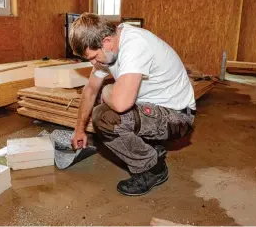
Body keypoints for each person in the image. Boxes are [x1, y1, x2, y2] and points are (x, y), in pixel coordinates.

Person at [68, 13, 196, 196]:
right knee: (106, 100)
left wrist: (107, 90)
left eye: (94, 57)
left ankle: (153, 168)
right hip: (155, 108)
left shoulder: (134, 45)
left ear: (106, 41)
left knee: (105, 117)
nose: (93, 63)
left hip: (179, 117)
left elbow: (121, 104)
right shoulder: (109, 50)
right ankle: (150, 148)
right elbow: (89, 90)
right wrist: (79, 129)